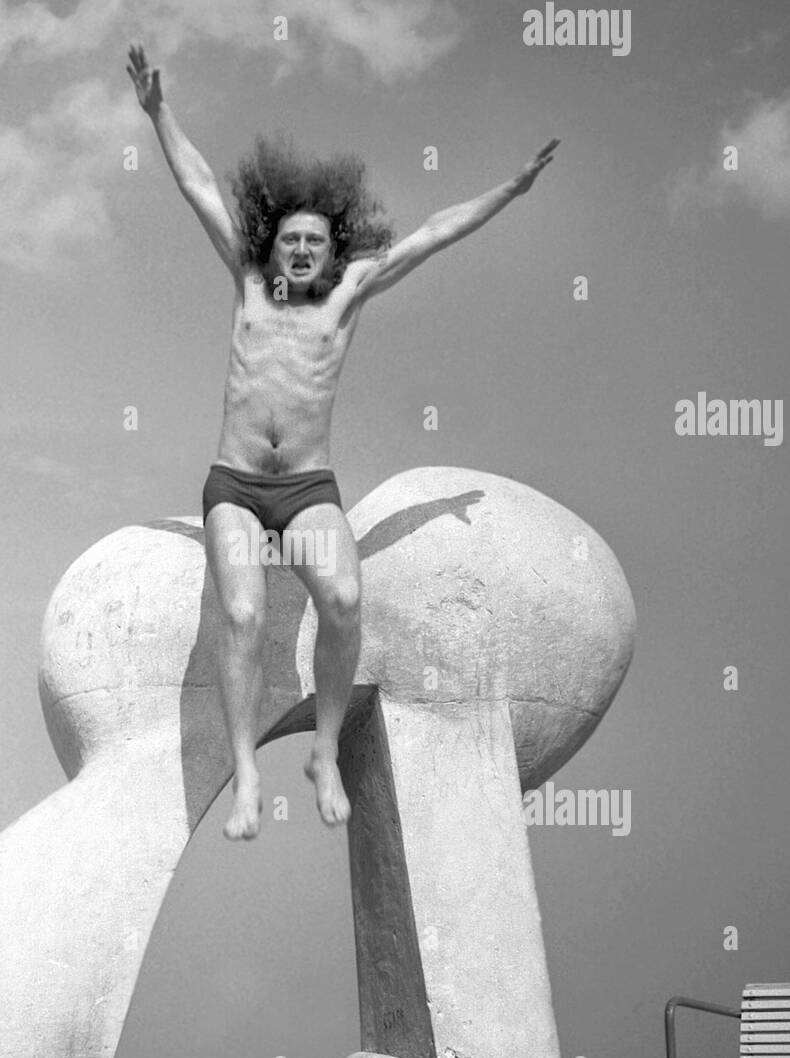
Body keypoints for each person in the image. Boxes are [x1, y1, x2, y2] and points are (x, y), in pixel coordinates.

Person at [126, 43, 557, 841]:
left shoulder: (350, 295)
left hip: (308, 490)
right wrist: (159, 112)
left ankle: (324, 749)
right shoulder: (248, 281)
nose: (299, 251)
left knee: (347, 600)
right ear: (273, 245)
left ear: (334, 249)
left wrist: (511, 189)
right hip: (235, 485)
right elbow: (196, 183)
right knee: (246, 613)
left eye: (313, 242)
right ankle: (248, 771)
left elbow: (434, 233)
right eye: (289, 239)